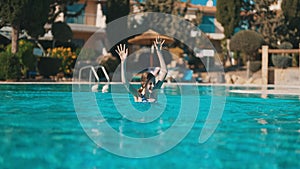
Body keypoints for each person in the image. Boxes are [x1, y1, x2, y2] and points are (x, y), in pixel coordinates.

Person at [116, 37, 167, 102]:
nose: (153, 85)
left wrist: (159, 51)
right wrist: (123, 62)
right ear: (143, 84)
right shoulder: (138, 95)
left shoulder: (154, 93)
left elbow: (164, 72)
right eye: (150, 83)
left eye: (154, 83)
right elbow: (125, 82)